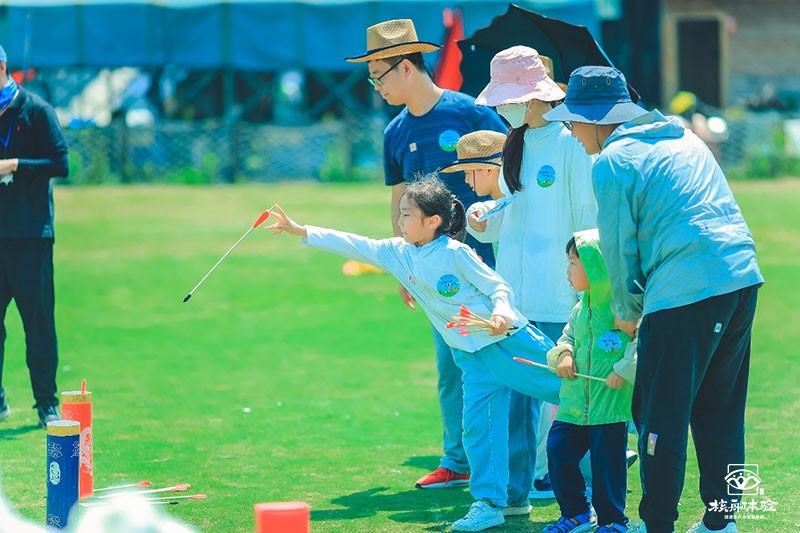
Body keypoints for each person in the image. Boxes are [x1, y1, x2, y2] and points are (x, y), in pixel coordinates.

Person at [266, 177, 561, 532]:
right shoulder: (397, 252)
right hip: (470, 359)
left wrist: (500, 314)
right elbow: (354, 243)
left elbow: (498, 286)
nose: (399, 220)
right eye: (400, 213)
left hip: (508, 344)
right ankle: (492, 504)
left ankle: (605, 477)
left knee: (576, 392)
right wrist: (301, 230)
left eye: (406, 214)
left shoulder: (455, 253)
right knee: (478, 431)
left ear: (433, 221)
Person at [543, 66, 764, 533]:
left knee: (659, 415)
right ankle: (721, 522)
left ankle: (657, 523)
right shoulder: (685, 138)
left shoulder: (611, 161)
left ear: (596, 119)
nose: (571, 132)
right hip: (742, 277)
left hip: (686, 290)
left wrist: (627, 313)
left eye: (572, 121)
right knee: (720, 410)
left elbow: (618, 249)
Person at [345, 19, 508, 490]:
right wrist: (403, 267)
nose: (375, 86)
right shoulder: (394, 132)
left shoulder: (471, 112)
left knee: (512, 361)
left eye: (378, 75)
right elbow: (400, 200)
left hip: (494, 262)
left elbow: (508, 170)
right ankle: (457, 461)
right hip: (437, 274)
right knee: (450, 369)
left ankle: (535, 459)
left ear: (406, 67)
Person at [469, 46, 599, 500]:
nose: (503, 108)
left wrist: (588, 291)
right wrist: (484, 220)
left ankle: (589, 491)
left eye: (509, 99)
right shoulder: (514, 142)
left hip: (561, 297)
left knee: (573, 398)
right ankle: (515, 497)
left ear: (535, 95)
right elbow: (511, 215)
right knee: (516, 404)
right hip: (513, 299)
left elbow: (588, 222)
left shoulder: (571, 143)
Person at [442, 130, 538, 519]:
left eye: (471, 172)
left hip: (528, 311)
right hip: (511, 313)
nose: (467, 182)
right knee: (517, 407)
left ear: (490, 167)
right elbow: (486, 222)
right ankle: (513, 494)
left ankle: (585, 482)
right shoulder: (497, 204)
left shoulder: (520, 197)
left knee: (557, 395)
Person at [542, 230, 637, 533]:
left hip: (608, 404)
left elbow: (642, 341)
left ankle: (613, 521)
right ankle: (576, 513)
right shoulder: (580, 307)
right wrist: (564, 354)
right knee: (558, 450)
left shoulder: (623, 307)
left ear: (596, 266)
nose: (567, 271)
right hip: (573, 403)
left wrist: (623, 369)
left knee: (607, 464)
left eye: (573, 263)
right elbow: (567, 337)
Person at [0, 44, 69, 428]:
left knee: (38, 323)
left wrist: (15, 165)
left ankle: (46, 403)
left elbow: (61, 163)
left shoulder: (37, 110)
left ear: (2, 67)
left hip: (30, 235)